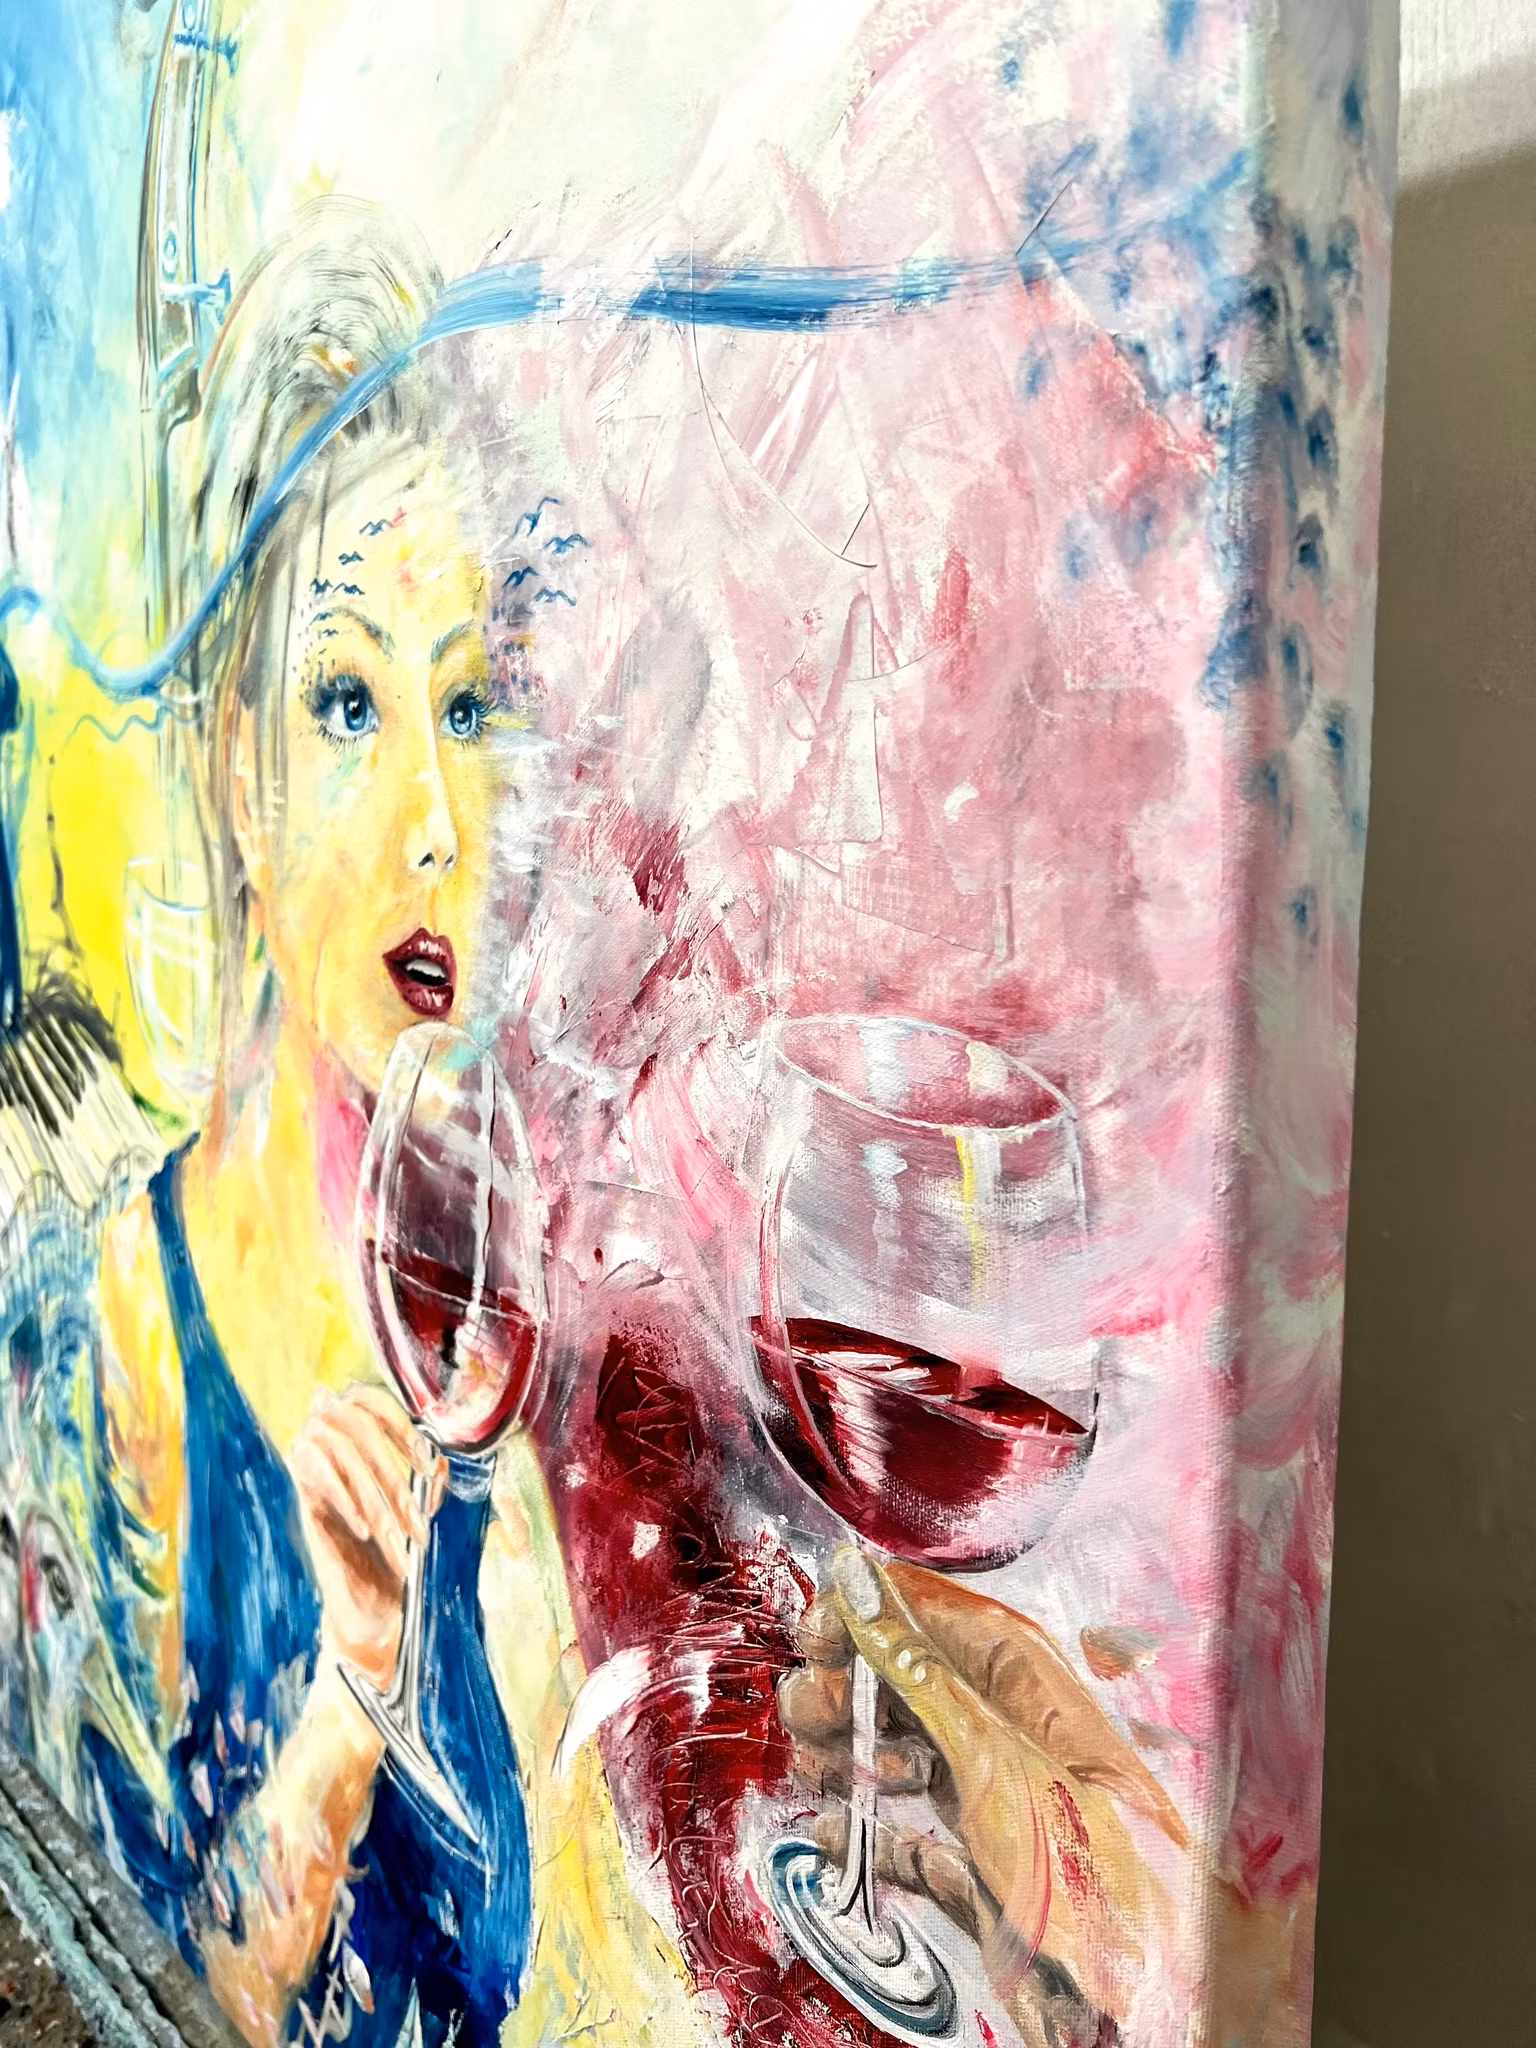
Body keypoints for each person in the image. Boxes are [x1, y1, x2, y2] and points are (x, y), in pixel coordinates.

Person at [81, 201, 701, 2048]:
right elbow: (193, 1971)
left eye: (469, 704)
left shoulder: (514, 1313)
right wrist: (354, 1685)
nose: (440, 819)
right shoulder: (142, 1310)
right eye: (348, 701)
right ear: (235, 767)